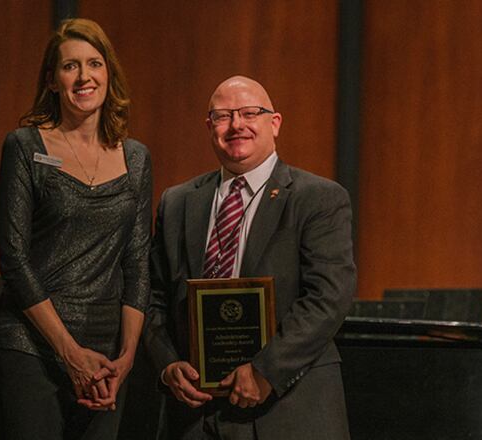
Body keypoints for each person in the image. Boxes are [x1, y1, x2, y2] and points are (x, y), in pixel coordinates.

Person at [143, 75, 355, 439]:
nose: (236, 125)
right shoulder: (177, 203)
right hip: (194, 415)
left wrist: (265, 371)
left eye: (249, 113)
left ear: (274, 123)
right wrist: (167, 366)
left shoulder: (318, 198)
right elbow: (153, 296)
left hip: (288, 410)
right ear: (209, 127)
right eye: (223, 116)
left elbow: (328, 297)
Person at [0, 18, 152, 440]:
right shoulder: (25, 146)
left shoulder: (136, 158)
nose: (84, 76)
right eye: (70, 66)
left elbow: (137, 263)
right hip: (32, 345)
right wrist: (69, 353)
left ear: (108, 73)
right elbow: (13, 259)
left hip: (106, 357)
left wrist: (127, 357)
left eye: (94, 63)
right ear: (52, 80)